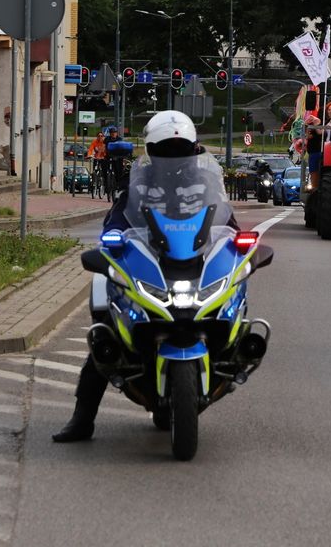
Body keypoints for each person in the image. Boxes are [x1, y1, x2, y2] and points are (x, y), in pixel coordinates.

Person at [53, 110, 239, 443]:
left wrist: (233, 243)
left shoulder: (207, 181)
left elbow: (225, 220)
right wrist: (112, 241)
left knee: (229, 305)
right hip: (150, 264)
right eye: (166, 149)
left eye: (179, 149)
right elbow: (118, 220)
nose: (173, 156)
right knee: (105, 335)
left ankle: (232, 355)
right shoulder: (138, 181)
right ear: (152, 150)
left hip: (191, 263)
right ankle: (82, 420)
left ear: (194, 148)